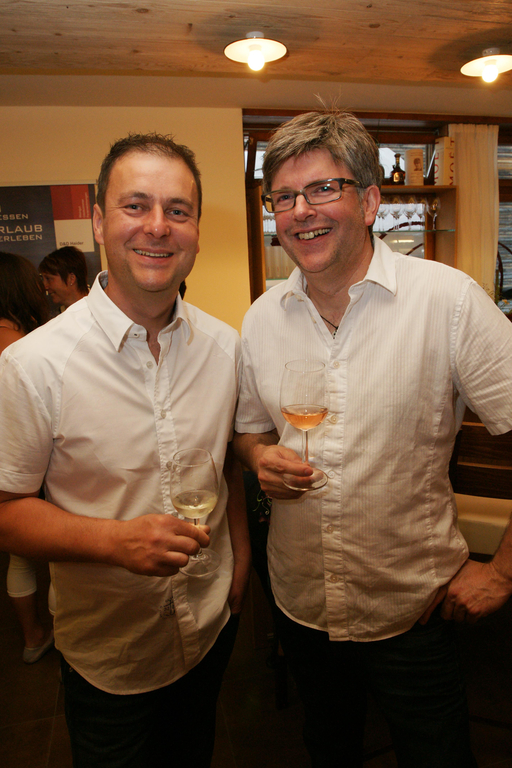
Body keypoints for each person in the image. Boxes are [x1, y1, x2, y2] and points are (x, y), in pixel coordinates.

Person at [234, 109, 512, 768]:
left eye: (322, 188)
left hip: (413, 608)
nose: (301, 211)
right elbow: (249, 430)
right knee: (328, 747)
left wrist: (503, 571)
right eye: (283, 197)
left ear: (369, 201)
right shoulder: (262, 318)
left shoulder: (447, 301)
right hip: (302, 602)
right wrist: (259, 457)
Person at [0, 133, 251, 767]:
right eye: (135, 205)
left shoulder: (226, 349)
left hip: (210, 629)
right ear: (98, 222)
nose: (157, 226)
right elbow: (6, 510)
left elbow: (225, 463)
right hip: (110, 655)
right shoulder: (34, 365)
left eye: (178, 210)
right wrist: (115, 542)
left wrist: (241, 554)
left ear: (196, 231)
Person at [0, 251, 54, 663]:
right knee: (53, 553)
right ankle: (49, 635)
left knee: (19, 556)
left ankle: (32, 636)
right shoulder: (21, 346)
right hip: (23, 452)